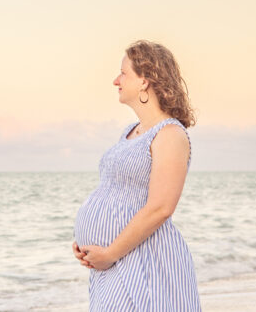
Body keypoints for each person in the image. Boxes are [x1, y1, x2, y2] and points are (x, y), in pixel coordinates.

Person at [72, 39, 201, 311]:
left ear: (145, 80)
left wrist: (108, 253)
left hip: (144, 261)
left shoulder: (170, 134)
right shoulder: (131, 131)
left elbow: (161, 208)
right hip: (114, 264)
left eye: (123, 73)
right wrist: (88, 244)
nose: (115, 80)